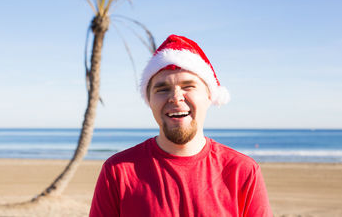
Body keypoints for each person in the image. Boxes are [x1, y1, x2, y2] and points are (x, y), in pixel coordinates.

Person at [89, 34, 273, 217]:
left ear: (209, 96)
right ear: (149, 100)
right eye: (162, 89)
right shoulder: (118, 171)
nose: (175, 97)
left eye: (188, 86)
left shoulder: (241, 171)